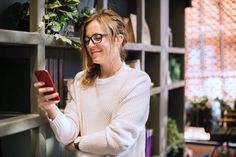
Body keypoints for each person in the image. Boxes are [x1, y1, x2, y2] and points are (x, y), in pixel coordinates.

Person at [34, 9, 151, 157]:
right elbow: (67, 135)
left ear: (118, 39)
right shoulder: (80, 80)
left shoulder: (138, 82)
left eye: (97, 37)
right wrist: (51, 109)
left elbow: (117, 141)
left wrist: (77, 144)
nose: (90, 45)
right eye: (88, 39)